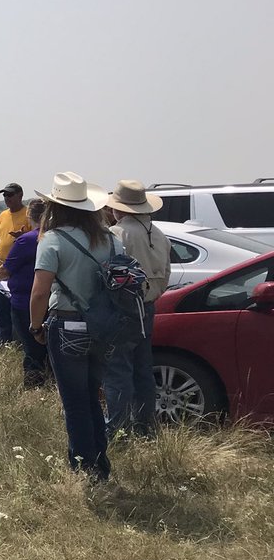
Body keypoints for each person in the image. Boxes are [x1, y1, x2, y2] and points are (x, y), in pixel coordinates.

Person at [28, 172, 116, 480]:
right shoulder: (110, 238)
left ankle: (85, 467)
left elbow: (40, 292)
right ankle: (100, 461)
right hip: (105, 325)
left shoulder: (52, 239)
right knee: (93, 395)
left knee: (75, 402)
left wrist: (35, 326)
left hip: (67, 324)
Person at [104, 180, 171, 439]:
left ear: (119, 209)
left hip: (122, 307)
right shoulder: (159, 235)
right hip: (149, 306)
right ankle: (145, 425)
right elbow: (166, 274)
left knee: (118, 368)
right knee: (143, 367)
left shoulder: (117, 234)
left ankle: (118, 429)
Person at [0, 198, 48, 387]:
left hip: (25, 301)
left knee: (32, 348)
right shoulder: (54, 236)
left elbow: (5, 270)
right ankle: (51, 382)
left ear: (29, 215)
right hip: (52, 301)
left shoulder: (28, 240)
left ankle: (34, 386)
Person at [0, 183, 33, 345]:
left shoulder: (28, 214)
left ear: (20, 195)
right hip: (2, 270)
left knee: (22, 312)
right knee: (2, 312)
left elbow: (37, 238)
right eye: (5, 195)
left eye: (10, 195)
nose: (7, 198)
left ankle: (27, 344)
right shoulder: (3, 215)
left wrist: (24, 236)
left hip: (21, 271)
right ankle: (3, 344)